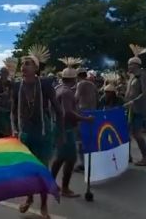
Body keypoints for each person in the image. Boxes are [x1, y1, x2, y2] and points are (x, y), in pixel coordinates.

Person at [11, 45, 64, 219]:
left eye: (28, 63)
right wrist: (14, 129)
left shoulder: (46, 84)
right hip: (25, 132)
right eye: (22, 64)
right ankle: (29, 198)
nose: (24, 67)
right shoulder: (16, 86)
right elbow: (13, 111)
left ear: (36, 68)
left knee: (41, 170)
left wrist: (60, 133)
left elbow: (58, 109)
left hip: (43, 132)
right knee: (28, 170)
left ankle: (43, 206)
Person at [52, 57, 94, 198]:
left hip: (58, 128)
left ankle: (50, 183)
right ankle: (64, 188)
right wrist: (85, 119)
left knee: (60, 158)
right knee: (70, 159)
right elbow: (68, 113)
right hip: (66, 129)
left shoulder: (57, 89)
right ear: (74, 79)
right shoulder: (67, 92)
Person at [124, 44, 146, 166]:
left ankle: (145, 157)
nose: (128, 66)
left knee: (137, 134)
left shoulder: (143, 75)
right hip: (130, 108)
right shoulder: (132, 77)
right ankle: (127, 156)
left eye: (130, 64)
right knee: (127, 132)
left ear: (136, 65)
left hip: (138, 109)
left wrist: (133, 101)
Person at [74, 67, 99, 172]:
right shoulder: (92, 85)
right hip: (92, 113)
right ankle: (92, 162)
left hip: (83, 113)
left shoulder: (81, 84)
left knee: (80, 140)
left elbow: (76, 98)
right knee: (90, 138)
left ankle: (83, 164)